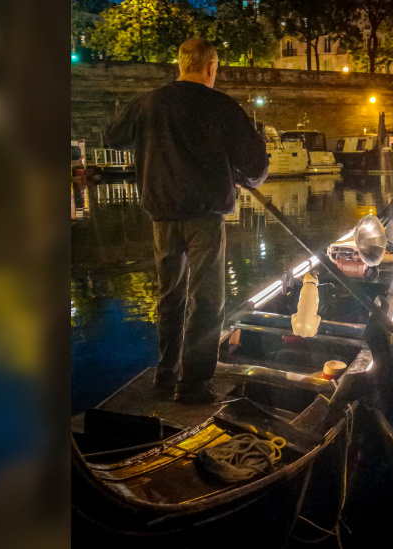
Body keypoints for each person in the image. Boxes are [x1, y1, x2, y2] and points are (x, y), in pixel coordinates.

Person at [105, 38, 268, 404]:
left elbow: (113, 136)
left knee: (170, 297)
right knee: (207, 301)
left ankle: (165, 375)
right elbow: (256, 164)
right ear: (211, 67)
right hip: (204, 218)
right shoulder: (221, 106)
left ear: (180, 65)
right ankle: (193, 385)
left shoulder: (149, 102)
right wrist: (243, 175)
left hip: (162, 217)